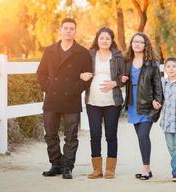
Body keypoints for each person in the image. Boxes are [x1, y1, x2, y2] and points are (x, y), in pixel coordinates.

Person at [37, 18, 93, 179]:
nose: (68, 31)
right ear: (60, 30)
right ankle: (56, 164)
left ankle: (67, 167)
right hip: (52, 99)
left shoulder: (82, 52)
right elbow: (41, 74)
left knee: (71, 136)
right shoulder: (49, 50)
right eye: (66, 28)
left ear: (75, 32)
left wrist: (74, 90)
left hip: (71, 99)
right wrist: (49, 88)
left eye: (71, 29)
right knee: (50, 134)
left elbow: (87, 77)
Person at [80, 27, 125, 179]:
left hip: (112, 102)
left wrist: (115, 83)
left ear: (111, 41)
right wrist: (81, 75)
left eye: (107, 38)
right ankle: (97, 169)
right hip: (93, 101)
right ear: (97, 40)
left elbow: (124, 77)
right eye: (101, 38)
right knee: (95, 134)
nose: (104, 41)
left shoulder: (118, 57)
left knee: (111, 135)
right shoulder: (90, 55)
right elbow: (80, 71)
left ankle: (110, 169)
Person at [121, 32, 163, 180]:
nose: (137, 44)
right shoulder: (127, 61)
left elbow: (158, 85)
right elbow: (120, 78)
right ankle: (148, 169)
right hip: (133, 104)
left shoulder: (151, 64)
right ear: (131, 44)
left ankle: (145, 169)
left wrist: (158, 101)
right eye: (134, 42)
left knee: (144, 135)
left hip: (147, 104)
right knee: (140, 137)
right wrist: (122, 79)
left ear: (146, 45)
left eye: (140, 42)